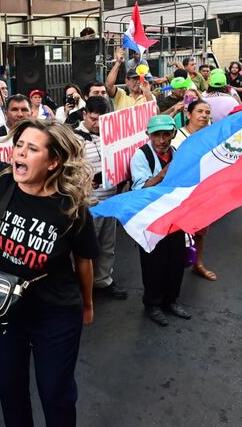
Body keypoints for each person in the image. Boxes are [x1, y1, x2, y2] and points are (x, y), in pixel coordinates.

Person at [0, 102, 98, 427]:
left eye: (32, 149)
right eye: (19, 145)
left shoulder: (71, 209)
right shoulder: (1, 179)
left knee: (56, 395)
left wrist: (88, 304)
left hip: (55, 317)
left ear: (53, 162)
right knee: (11, 391)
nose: (20, 153)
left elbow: (84, 261)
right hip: (4, 313)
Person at [130, 115, 191, 326]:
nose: (162, 140)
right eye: (157, 135)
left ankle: (172, 300)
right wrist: (163, 175)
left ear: (173, 134)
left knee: (176, 260)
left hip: (174, 217)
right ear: (149, 135)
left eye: (166, 134)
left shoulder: (176, 153)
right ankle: (152, 304)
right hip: (151, 219)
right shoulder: (141, 156)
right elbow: (140, 190)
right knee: (153, 264)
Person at [74, 97, 128, 300]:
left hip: (111, 199)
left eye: (102, 120)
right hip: (88, 203)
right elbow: (67, 170)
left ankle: (103, 280)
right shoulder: (73, 138)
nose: (97, 124)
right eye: (94, 119)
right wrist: (86, 180)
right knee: (86, 249)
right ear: (85, 114)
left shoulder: (113, 135)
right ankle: (81, 287)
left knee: (107, 245)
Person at [171, 100, 216, 281]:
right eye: (199, 111)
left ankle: (198, 263)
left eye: (207, 112)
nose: (204, 116)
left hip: (203, 191)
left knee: (199, 231)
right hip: (181, 193)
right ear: (188, 114)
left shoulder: (210, 137)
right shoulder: (177, 138)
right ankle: (175, 268)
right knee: (178, 233)